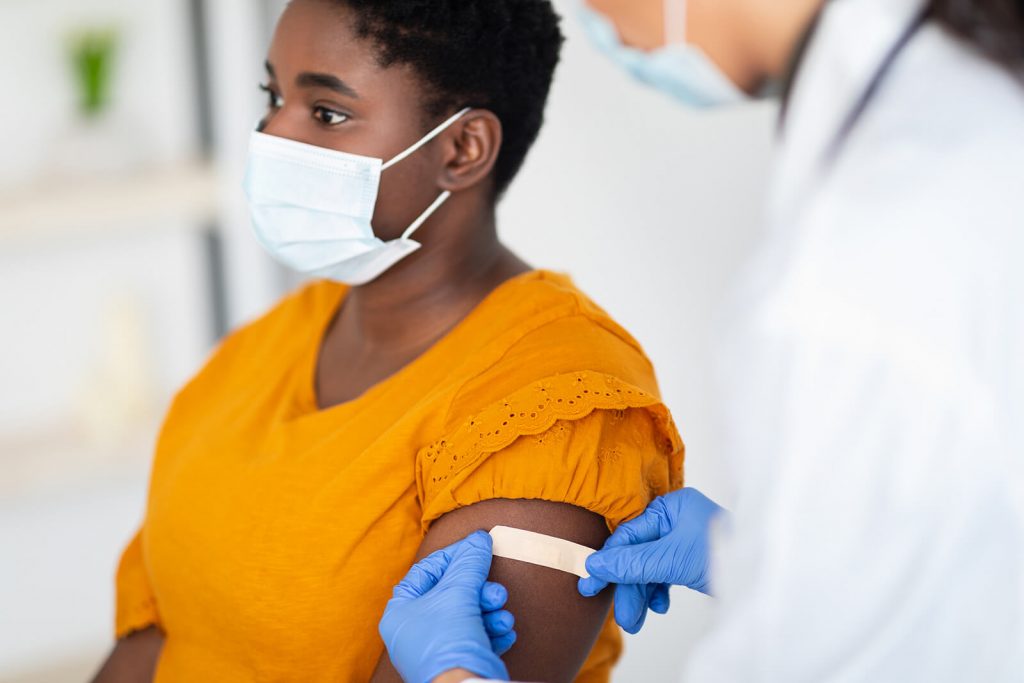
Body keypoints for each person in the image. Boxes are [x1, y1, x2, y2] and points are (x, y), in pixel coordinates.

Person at [378, 0, 1024, 680]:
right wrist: (754, 552)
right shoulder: (959, 125)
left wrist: (456, 674)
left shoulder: (852, 266)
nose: (593, 23)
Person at [90, 1, 687, 682]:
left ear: (462, 149)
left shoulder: (554, 404)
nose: (271, 133)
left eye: (327, 112)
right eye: (273, 96)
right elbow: (152, 640)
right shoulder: (260, 349)